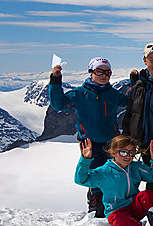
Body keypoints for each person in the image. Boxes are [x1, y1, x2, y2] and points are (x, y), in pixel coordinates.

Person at [49, 57, 126, 217]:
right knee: (95, 175)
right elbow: (58, 105)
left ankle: (112, 206)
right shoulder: (80, 94)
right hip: (90, 144)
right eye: (99, 71)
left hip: (111, 143)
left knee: (113, 175)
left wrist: (133, 83)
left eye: (108, 72)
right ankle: (96, 206)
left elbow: (130, 101)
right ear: (91, 72)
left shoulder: (113, 94)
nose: (104, 75)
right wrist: (56, 80)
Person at [74, 135, 153, 226]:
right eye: (123, 152)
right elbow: (81, 179)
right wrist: (85, 160)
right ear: (113, 153)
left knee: (148, 196)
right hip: (116, 211)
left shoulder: (135, 167)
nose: (128, 156)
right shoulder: (105, 172)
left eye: (131, 153)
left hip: (133, 208)